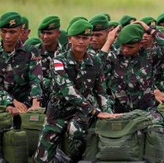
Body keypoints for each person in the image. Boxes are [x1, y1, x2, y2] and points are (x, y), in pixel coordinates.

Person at [34, 19, 118, 163]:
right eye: (77, 37)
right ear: (69, 39)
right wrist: (95, 111)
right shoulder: (59, 61)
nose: (81, 42)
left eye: (85, 38)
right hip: (57, 113)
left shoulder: (95, 61)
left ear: (89, 40)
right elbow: (68, 91)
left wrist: (107, 112)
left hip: (81, 113)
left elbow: (100, 92)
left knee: (76, 131)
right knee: (41, 159)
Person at [0, 11, 43, 114]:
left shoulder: (31, 52)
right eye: (3, 31)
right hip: (0, 104)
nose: (7, 36)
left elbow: (36, 79)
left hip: (26, 104)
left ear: (20, 32)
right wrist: (12, 102)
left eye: (12, 32)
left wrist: (35, 104)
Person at [105, 23, 163, 121]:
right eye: (123, 46)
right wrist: (108, 42)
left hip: (146, 110)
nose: (125, 50)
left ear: (140, 43)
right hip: (119, 111)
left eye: (130, 47)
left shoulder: (149, 56)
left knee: (157, 128)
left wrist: (148, 29)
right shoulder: (113, 57)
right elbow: (95, 69)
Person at [36, 15, 63, 106]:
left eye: (49, 33)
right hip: (37, 101)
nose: (45, 36)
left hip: (60, 102)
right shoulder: (33, 53)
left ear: (58, 34)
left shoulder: (65, 54)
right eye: (42, 33)